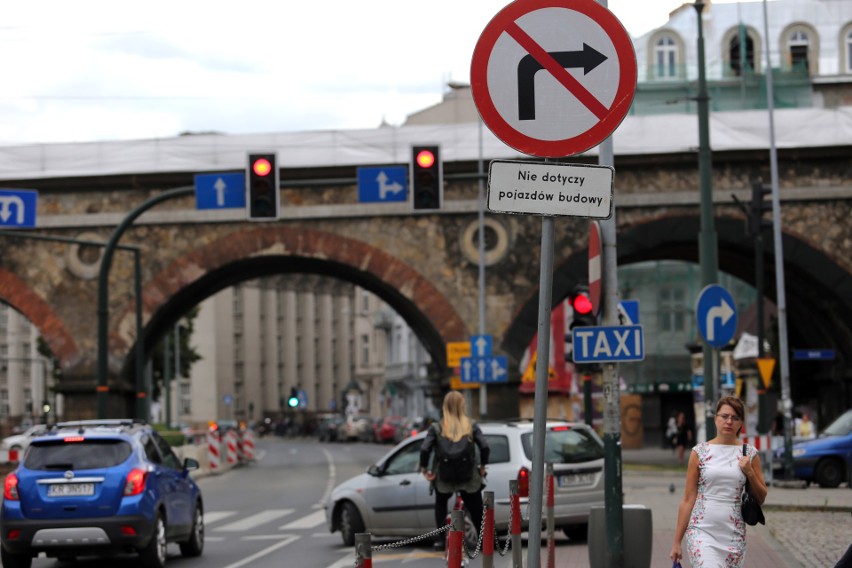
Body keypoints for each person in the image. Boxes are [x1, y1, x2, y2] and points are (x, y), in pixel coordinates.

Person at [670, 396, 769, 567]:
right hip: (701, 531)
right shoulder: (699, 452)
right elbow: (687, 499)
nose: (729, 421)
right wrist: (677, 542)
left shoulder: (749, 454)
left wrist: (750, 473)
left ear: (741, 423)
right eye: (724, 416)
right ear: (715, 418)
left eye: (735, 417)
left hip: (734, 535)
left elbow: (761, 497)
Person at [419, 391, 490, 551]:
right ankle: (483, 540)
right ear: (462, 406)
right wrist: (482, 467)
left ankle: (441, 540)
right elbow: (484, 446)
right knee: (476, 507)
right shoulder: (471, 425)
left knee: (441, 505)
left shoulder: (437, 427)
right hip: (468, 474)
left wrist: (425, 469)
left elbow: (425, 449)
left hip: (444, 474)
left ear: (445, 407)